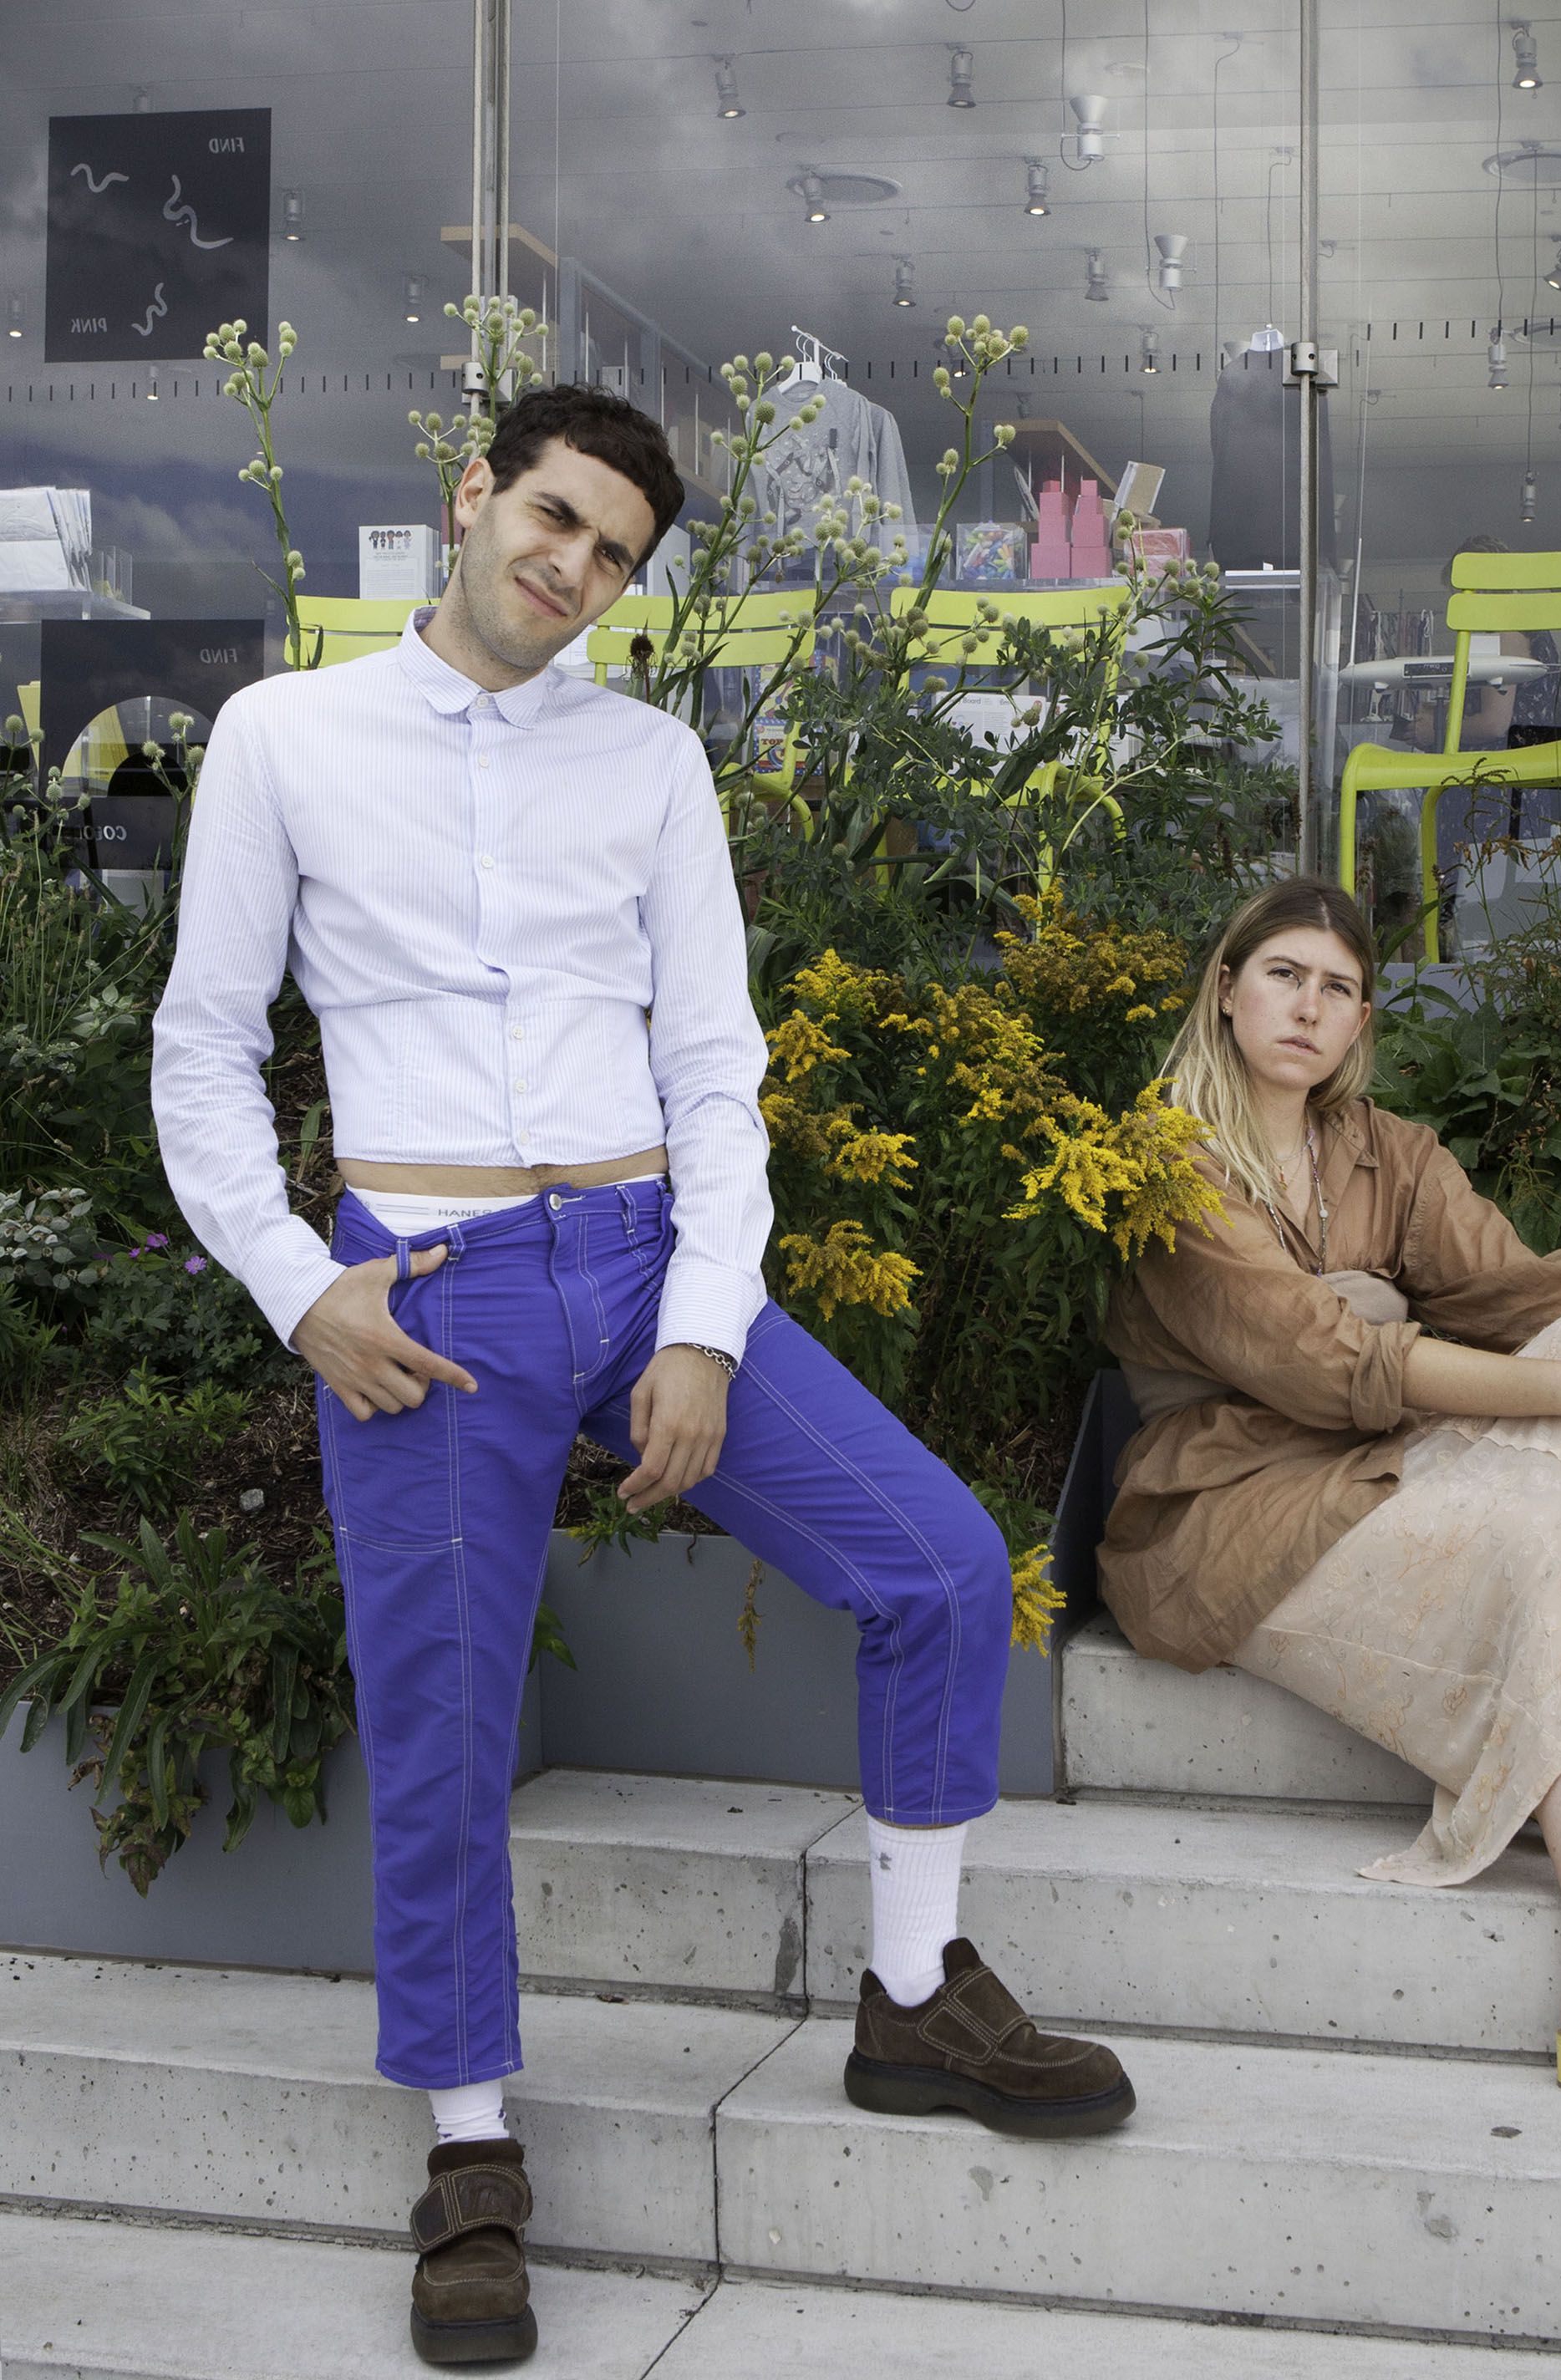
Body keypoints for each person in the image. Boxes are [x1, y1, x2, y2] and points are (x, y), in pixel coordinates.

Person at [150, 384, 1133, 2369]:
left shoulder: (652, 759)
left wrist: (699, 1320)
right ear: (472, 496)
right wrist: (294, 1287)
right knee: (438, 1717)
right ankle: (468, 2153)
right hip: (422, 1296)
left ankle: (911, 1986)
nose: (571, 569)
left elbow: (714, 1064)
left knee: (940, 1562)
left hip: (644, 1255)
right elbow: (197, 1047)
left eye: (610, 552)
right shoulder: (285, 738)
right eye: (552, 519)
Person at [1100, 877, 1561, 2132]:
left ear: (1362, 1018)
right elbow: (1329, 1361)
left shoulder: (1386, 1151)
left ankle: (1556, 1788)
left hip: (1368, 1457)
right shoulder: (1168, 1158)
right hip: (1227, 1503)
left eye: (1337, 988)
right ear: (1225, 988)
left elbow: (1527, 1291)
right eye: (1282, 975)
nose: (1308, 1008)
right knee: (1556, 1477)